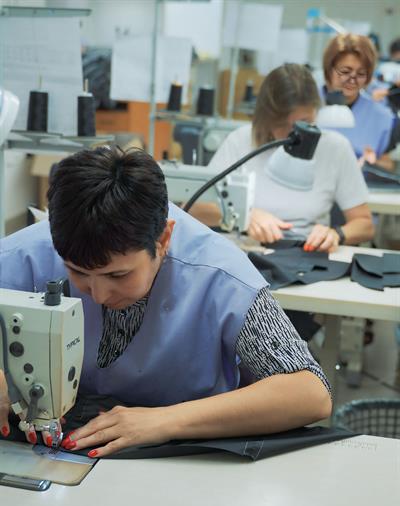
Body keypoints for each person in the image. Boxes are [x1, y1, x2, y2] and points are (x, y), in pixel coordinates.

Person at [0, 146, 331, 458]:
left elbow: (310, 392)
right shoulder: (29, 253)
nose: (98, 295)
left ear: (163, 240)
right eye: (78, 272)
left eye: (118, 275)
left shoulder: (222, 276)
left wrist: (166, 420)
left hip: (180, 452)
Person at [209, 63, 374, 252]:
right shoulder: (240, 141)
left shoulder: (335, 148)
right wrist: (243, 216)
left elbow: (365, 225)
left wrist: (336, 234)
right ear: (265, 117)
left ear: (315, 113)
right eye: (281, 124)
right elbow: (196, 209)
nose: (291, 134)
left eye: (303, 123)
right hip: (247, 250)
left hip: (307, 252)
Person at [322, 34, 395, 171]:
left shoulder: (382, 117)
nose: (352, 80)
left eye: (361, 73)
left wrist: (372, 164)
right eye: (345, 71)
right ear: (328, 69)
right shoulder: (306, 105)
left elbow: (388, 164)